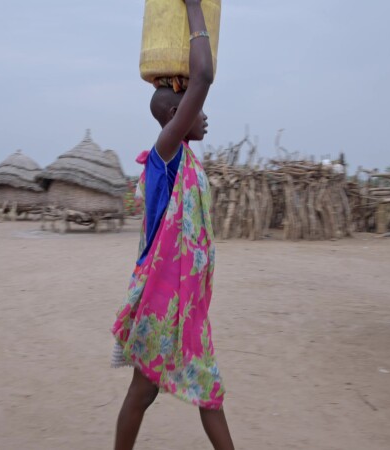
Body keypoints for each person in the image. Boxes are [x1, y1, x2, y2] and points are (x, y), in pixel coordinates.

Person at [111, 1, 234, 449]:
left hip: (187, 312)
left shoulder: (186, 162)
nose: (204, 114)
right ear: (173, 117)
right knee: (145, 394)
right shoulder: (165, 156)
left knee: (206, 396)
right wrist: (194, 9)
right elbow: (201, 77)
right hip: (165, 310)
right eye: (194, 110)